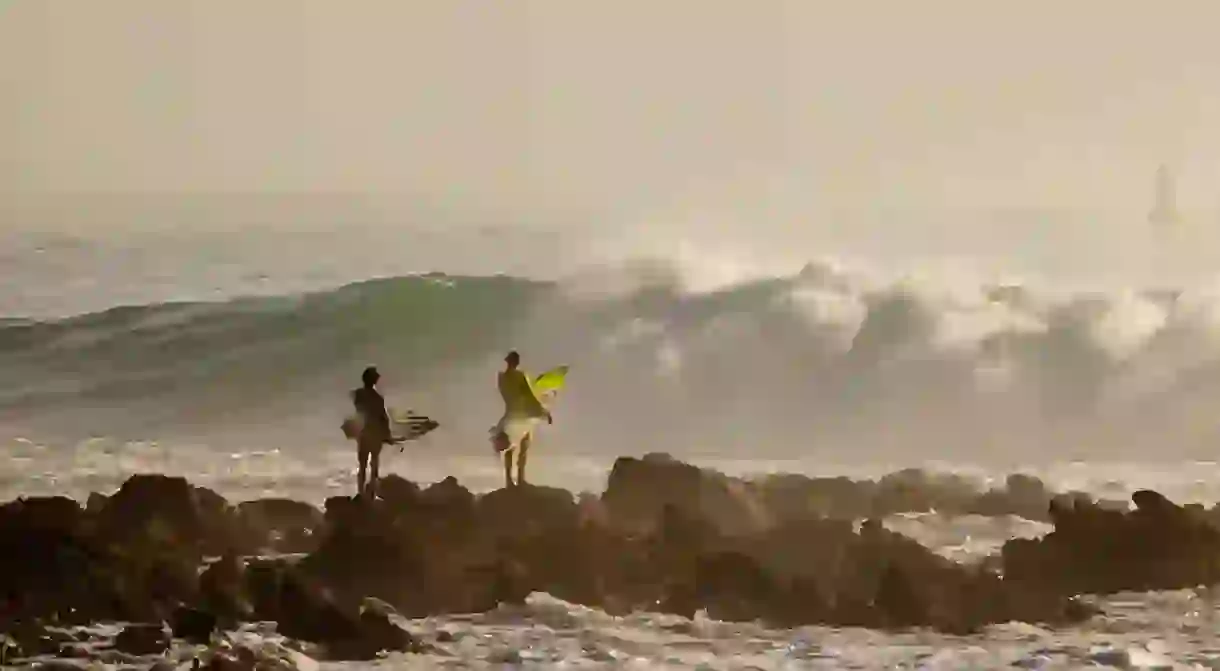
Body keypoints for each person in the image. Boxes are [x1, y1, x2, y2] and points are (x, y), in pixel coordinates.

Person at [493, 351, 551, 488]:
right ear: (516, 362)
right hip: (523, 416)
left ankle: (508, 480)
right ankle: (520, 479)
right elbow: (529, 396)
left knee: (509, 449)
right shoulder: (519, 376)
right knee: (524, 447)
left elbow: (507, 395)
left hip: (509, 414)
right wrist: (544, 412)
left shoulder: (501, 378)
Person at [351, 366, 399, 499]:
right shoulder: (377, 398)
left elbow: (359, 411)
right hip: (375, 433)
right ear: (373, 380)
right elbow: (383, 418)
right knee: (374, 464)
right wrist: (387, 435)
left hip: (363, 433)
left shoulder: (359, 395)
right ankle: (371, 493)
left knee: (362, 465)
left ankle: (361, 492)